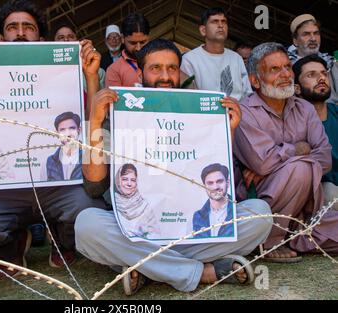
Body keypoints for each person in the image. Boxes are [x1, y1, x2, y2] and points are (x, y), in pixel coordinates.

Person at [75, 38, 273, 295]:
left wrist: (228, 131)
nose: (165, 76)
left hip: (191, 230)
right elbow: (93, 186)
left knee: (261, 215)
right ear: (141, 73)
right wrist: (96, 123)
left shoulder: (199, 113)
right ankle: (198, 271)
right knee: (87, 225)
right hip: (136, 230)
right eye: (155, 68)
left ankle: (145, 266)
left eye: (171, 68)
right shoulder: (119, 112)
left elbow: (219, 180)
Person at [0, 0, 107, 271]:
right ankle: (13, 243)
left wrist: (91, 76)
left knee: (91, 212)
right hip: (3, 187)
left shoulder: (64, 73)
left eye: (28, 27)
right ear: (3, 37)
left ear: (42, 38)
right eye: (12, 27)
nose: (20, 32)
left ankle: (64, 239)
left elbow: (89, 122)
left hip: (56, 182)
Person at [234, 42, 338, 262]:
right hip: (263, 206)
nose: (285, 74)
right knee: (302, 167)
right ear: (254, 80)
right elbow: (262, 164)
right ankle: (271, 240)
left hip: (306, 206)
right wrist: (302, 148)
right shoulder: (244, 112)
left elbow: (326, 158)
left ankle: (296, 236)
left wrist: (280, 160)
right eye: (274, 69)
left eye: (287, 67)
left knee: (303, 169)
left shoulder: (305, 108)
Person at [293, 55, 338, 210]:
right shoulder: (293, 121)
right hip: (321, 190)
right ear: (296, 88)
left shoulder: (336, 112)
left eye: (324, 73)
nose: (321, 78)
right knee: (330, 191)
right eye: (311, 75)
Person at [180, 7, 253, 101]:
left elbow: (247, 95)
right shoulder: (189, 59)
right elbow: (188, 97)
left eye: (224, 22)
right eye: (215, 21)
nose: (220, 25)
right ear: (203, 30)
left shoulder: (236, 58)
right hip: (205, 114)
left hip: (238, 113)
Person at [287, 14, 338, 104]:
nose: (313, 38)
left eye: (316, 33)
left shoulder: (331, 63)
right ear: (295, 40)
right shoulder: (287, 68)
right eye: (306, 34)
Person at [114, 164, 160, 239]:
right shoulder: (112, 202)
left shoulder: (145, 206)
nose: (129, 184)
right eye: (125, 179)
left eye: (133, 180)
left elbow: (156, 234)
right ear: (118, 180)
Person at [105, 13, 150, 87]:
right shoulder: (114, 70)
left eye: (143, 42)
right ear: (122, 38)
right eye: (133, 43)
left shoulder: (160, 62)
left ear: (149, 38)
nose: (138, 48)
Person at [193, 164, 233, 238]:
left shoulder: (237, 209)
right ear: (204, 186)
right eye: (210, 183)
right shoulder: (198, 217)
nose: (215, 187)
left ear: (227, 183)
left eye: (219, 181)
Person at [41, 112, 82, 181]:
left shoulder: (89, 157)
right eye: (62, 130)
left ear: (79, 130)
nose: (68, 134)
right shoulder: (48, 163)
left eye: (72, 128)